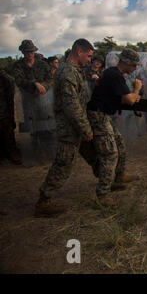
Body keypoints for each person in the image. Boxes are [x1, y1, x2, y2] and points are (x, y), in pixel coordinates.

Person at [35, 39, 95, 217]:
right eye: (89, 55)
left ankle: (109, 180)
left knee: (86, 156)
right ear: (79, 51)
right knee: (63, 163)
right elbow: (71, 106)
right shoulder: (68, 73)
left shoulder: (72, 71)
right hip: (70, 128)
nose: (90, 60)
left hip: (73, 126)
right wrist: (85, 129)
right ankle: (44, 201)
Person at [86, 49, 142, 204]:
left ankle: (119, 175)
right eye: (134, 65)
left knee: (119, 143)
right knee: (110, 153)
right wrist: (137, 89)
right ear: (126, 62)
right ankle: (102, 194)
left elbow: (123, 99)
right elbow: (129, 100)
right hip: (98, 115)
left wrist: (132, 96)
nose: (135, 69)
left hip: (103, 114)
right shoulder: (115, 75)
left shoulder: (112, 73)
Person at [0, 69, 21, 164]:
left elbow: (10, 94)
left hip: (3, 111)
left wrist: (10, 112)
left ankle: (12, 152)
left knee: (7, 132)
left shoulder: (4, 77)